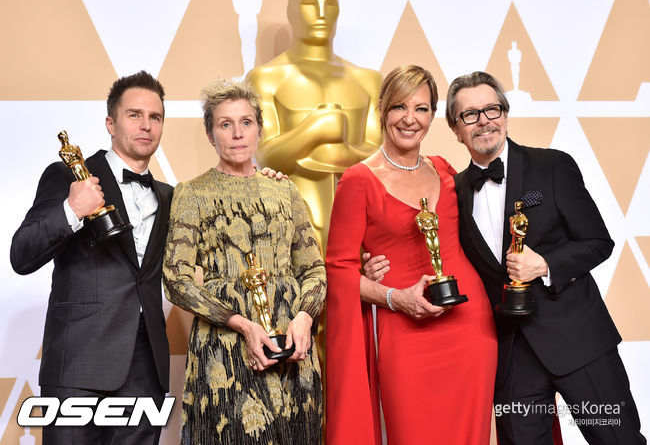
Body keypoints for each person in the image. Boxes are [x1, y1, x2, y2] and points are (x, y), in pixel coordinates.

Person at [447, 71, 646, 444]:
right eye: (470, 115)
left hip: (579, 341)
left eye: (492, 109)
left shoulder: (552, 165)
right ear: (456, 129)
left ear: (505, 116)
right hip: (511, 358)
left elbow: (597, 241)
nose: (484, 120)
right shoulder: (452, 193)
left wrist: (546, 265)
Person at [325, 65, 497, 445]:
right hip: (404, 333)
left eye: (421, 109)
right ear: (383, 110)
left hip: (470, 328)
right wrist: (395, 298)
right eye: (399, 107)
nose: (410, 119)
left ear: (433, 115)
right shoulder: (358, 180)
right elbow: (337, 272)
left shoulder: (447, 171)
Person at [10, 71, 172, 444]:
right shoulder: (69, 176)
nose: (146, 125)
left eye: (155, 117)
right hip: (78, 365)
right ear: (110, 124)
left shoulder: (169, 196)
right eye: (134, 115)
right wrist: (71, 209)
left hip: (146, 368)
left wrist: (264, 179)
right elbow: (22, 255)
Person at [163, 79, 326, 445]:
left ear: (260, 129)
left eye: (246, 122)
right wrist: (242, 325)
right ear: (210, 134)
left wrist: (304, 318)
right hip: (226, 348)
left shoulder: (285, 189)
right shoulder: (192, 193)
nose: (237, 133)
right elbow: (176, 279)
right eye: (225, 124)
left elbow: (314, 269)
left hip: (293, 347)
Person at [246, 0, 383, 252]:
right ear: (291, 11)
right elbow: (266, 155)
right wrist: (315, 129)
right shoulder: (265, 79)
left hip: (363, 225)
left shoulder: (368, 80)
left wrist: (316, 154)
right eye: (310, 4)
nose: (321, 13)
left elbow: (380, 157)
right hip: (293, 224)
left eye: (330, 5)